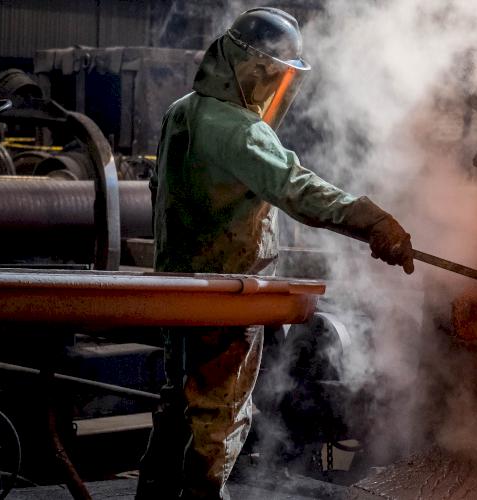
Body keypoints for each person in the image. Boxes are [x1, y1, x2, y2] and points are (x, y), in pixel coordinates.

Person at [135, 7, 414, 499]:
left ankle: (154, 495)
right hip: (227, 294)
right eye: (278, 76)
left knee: (178, 404)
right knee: (219, 417)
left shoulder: (182, 111)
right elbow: (296, 188)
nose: (279, 88)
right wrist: (373, 221)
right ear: (257, 70)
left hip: (177, 288)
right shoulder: (240, 130)